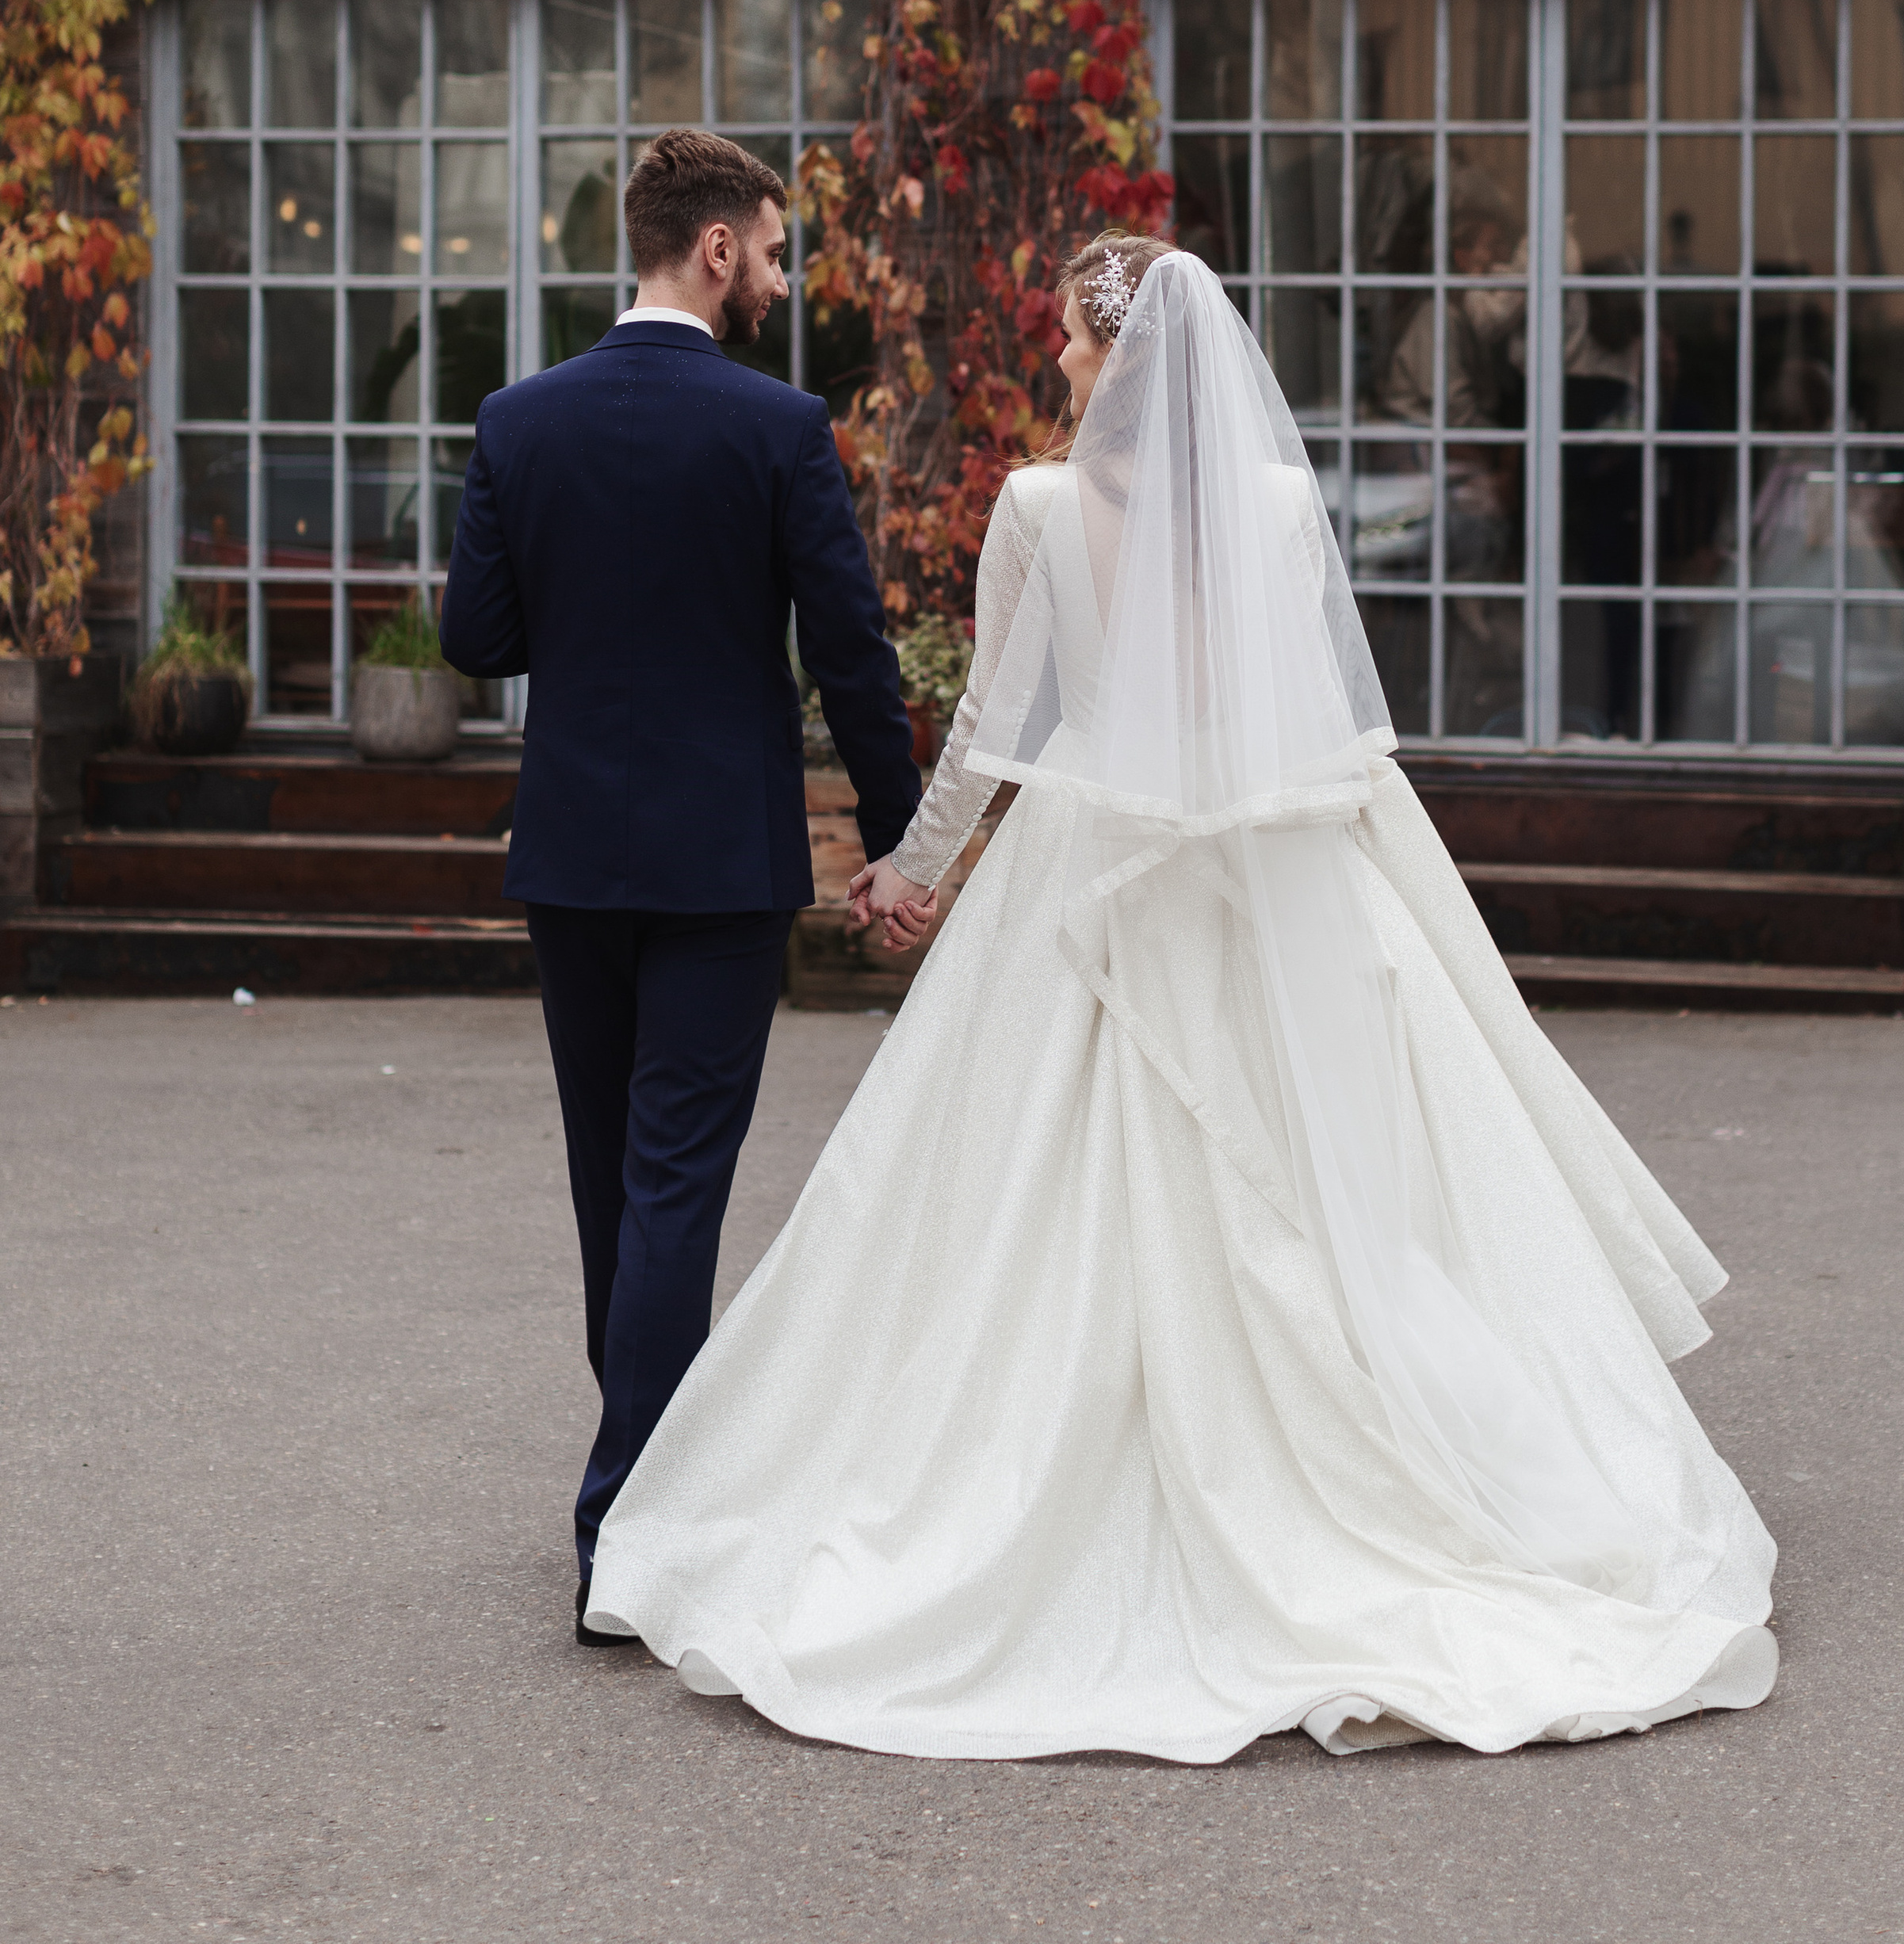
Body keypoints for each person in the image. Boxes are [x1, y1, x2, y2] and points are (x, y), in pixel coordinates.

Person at [584, 234, 1777, 1761]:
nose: (1063, 367)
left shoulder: (1035, 505)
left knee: (1021, 1200)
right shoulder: (1278, 502)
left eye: (1074, 345)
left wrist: (916, 870)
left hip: (1089, 870)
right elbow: (1318, 709)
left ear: (1114, 350)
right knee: (1337, 1187)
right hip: (1268, 876)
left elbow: (997, 731)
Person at [438, 128, 921, 1644]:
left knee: (612, 1186)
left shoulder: (521, 422)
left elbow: (476, 637)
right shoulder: (779, 431)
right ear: (714, 250)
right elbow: (847, 653)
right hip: (719, 866)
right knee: (673, 1192)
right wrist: (902, 842)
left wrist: (594, 619)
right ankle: (629, 1531)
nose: (778, 278)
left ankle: (632, 1494)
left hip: (575, 855)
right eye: (772, 252)